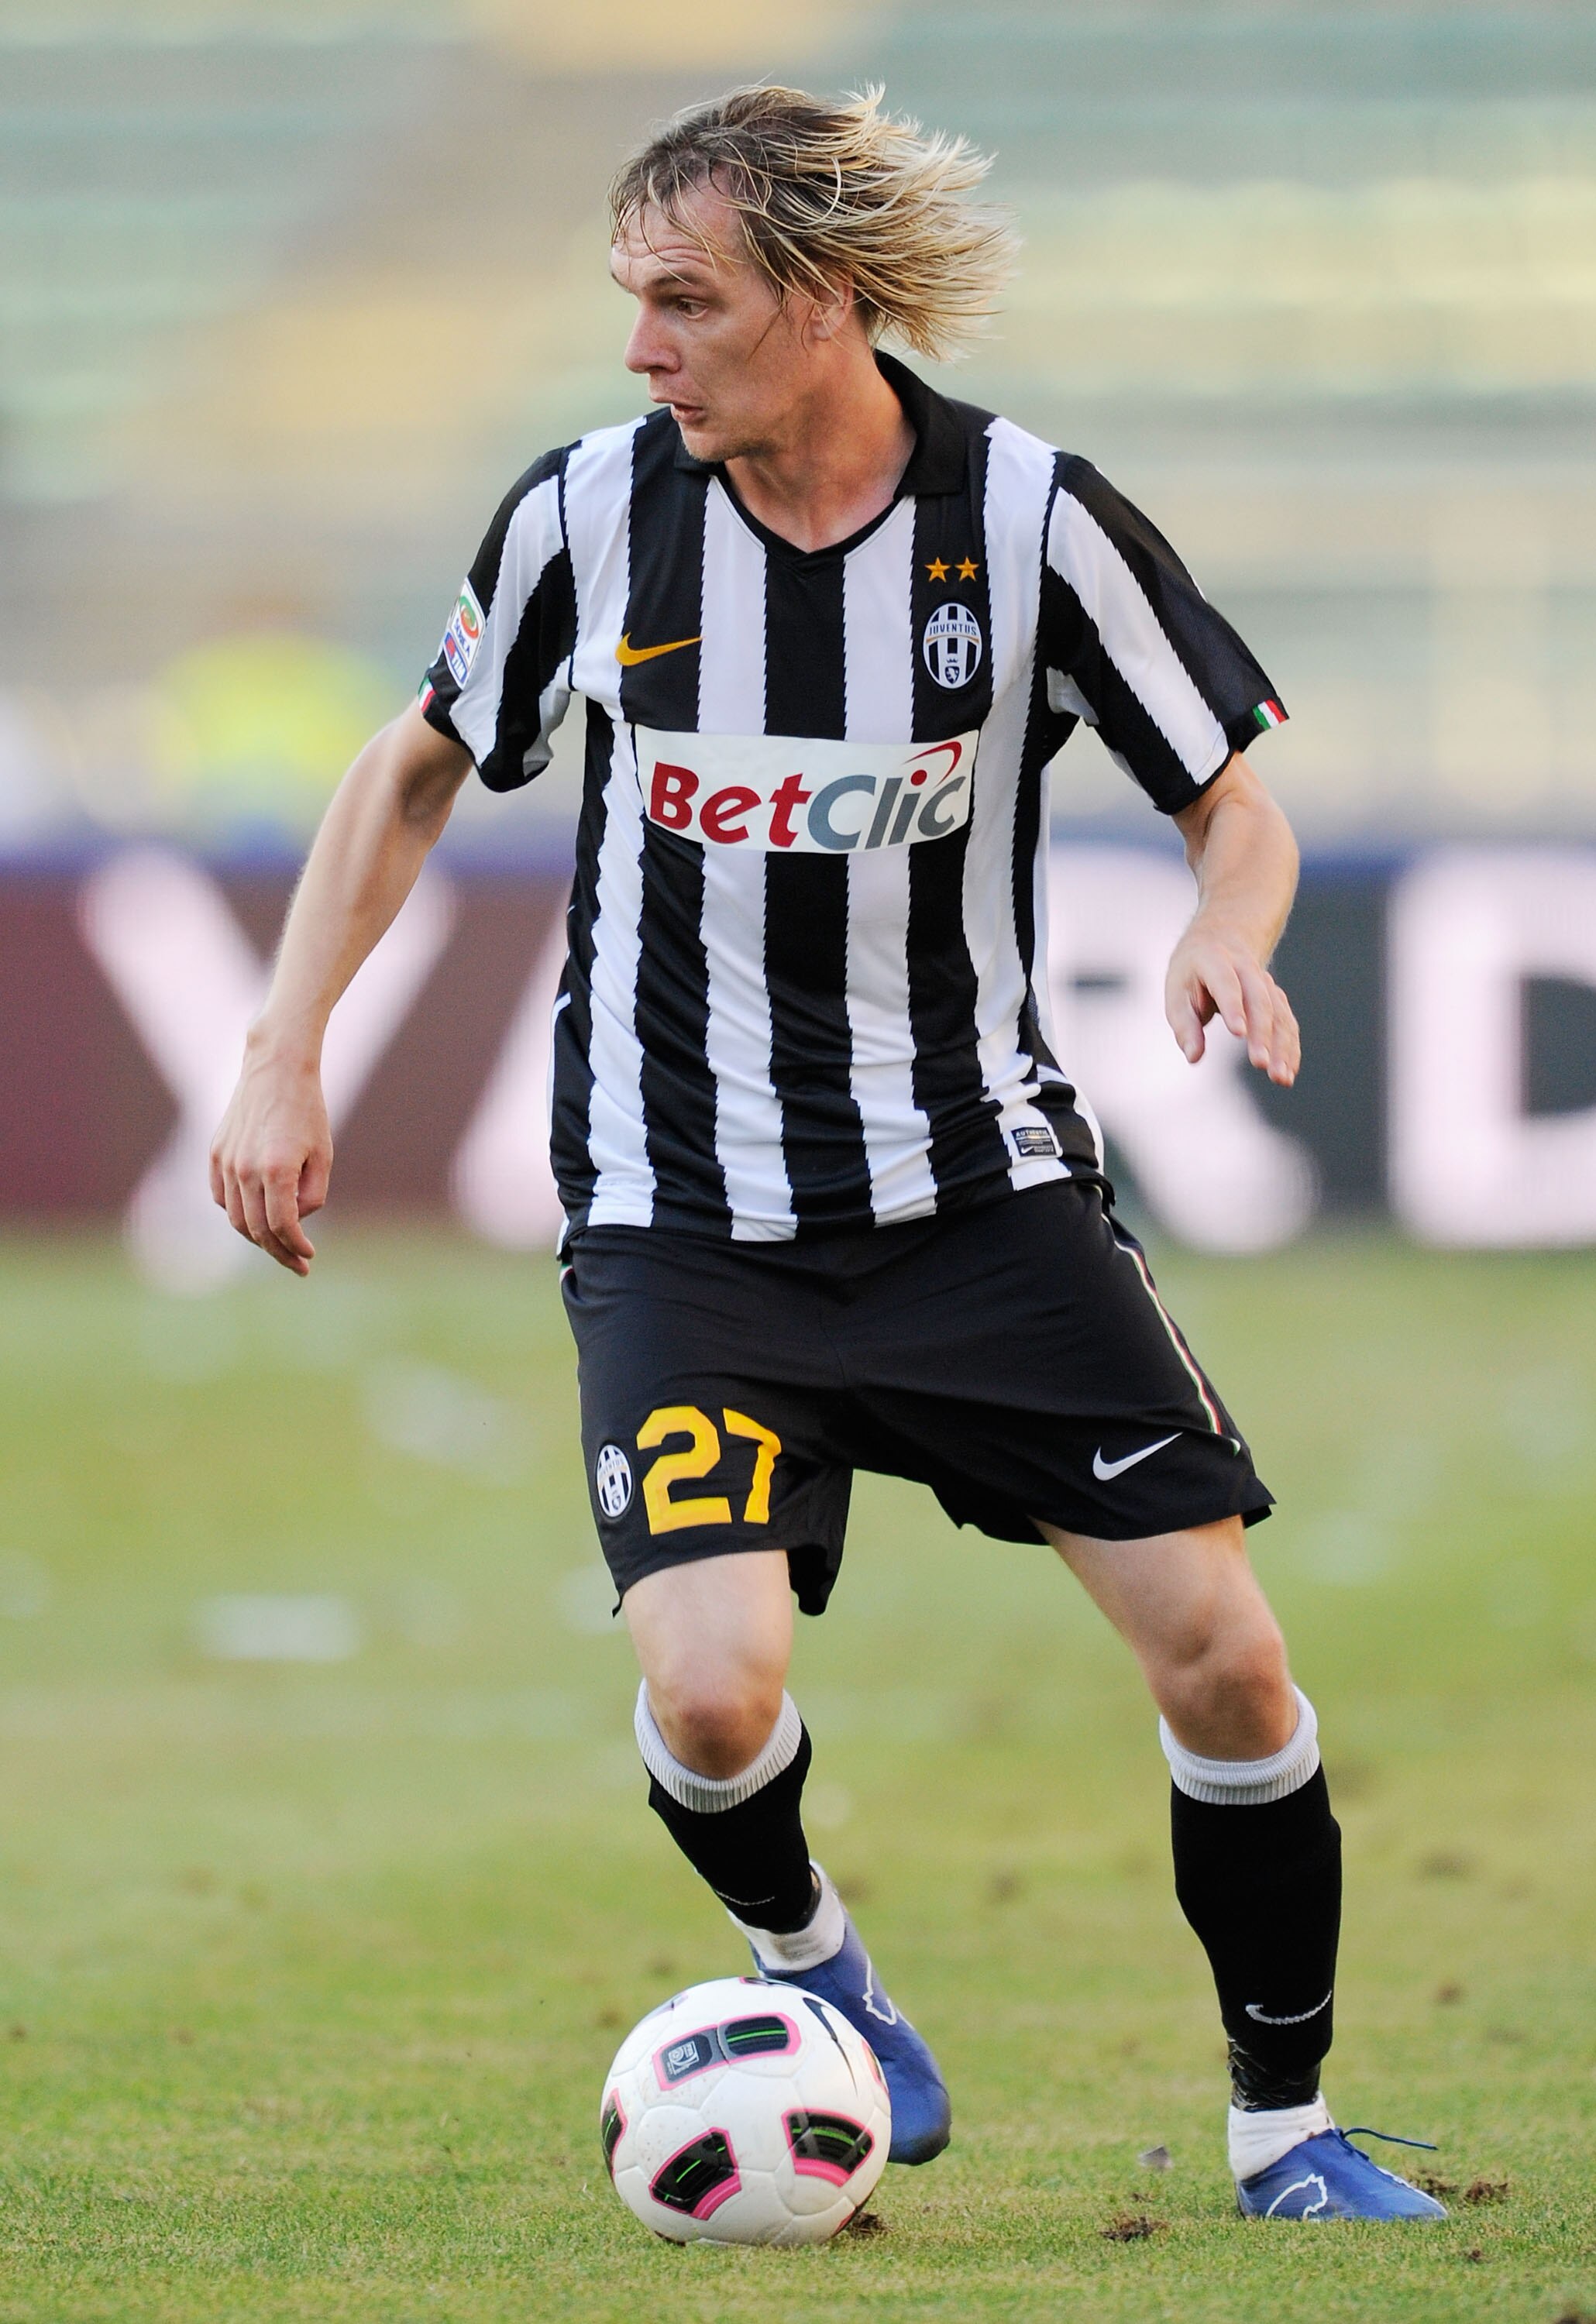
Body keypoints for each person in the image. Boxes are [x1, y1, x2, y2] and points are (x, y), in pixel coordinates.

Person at [211, 85, 1443, 2222]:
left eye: (682, 302)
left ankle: (1283, 2130)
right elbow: (410, 771)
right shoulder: (590, 514)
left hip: (975, 1196)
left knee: (1225, 1657)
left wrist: (1224, 934)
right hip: (681, 1218)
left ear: (826, 297)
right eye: (630, 302)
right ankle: (822, 1979)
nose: (640, 349)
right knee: (708, 1697)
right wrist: (279, 1055)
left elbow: (1231, 791)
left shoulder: (1033, 518)